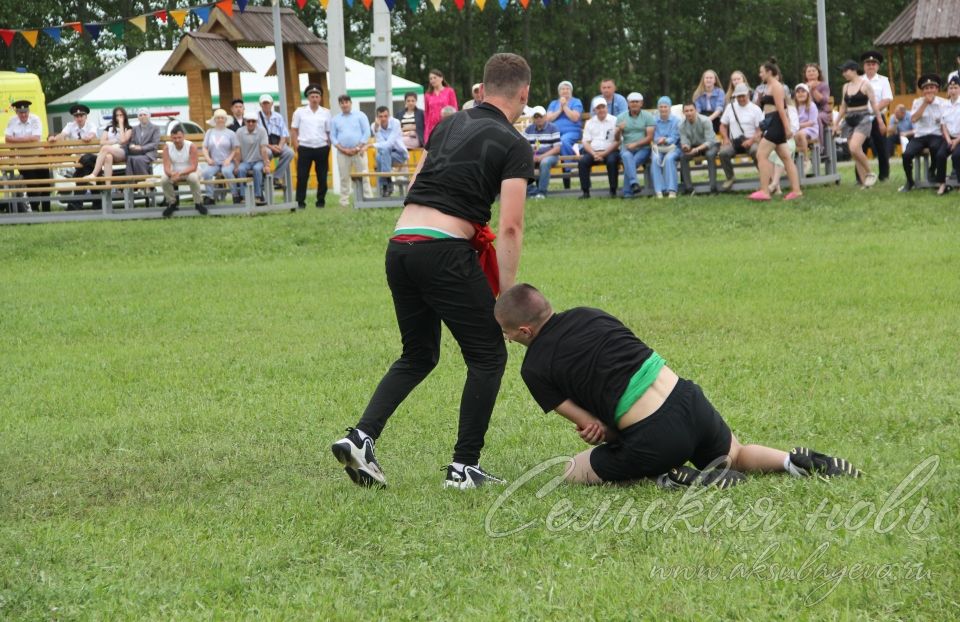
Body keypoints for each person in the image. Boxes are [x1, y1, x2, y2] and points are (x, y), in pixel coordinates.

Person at [330, 53, 534, 490]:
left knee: (419, 354)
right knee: (488, 355)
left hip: (400, 245)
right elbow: (511, 226)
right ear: (524, 94)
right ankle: (464, 467)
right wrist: (506, 299)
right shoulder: (514, 143)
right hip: (443, 251)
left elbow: (416, 183)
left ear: (482, 87)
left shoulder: (446, 124)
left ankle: (361, 438)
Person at [494, 283, 862, 486]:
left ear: (525, 331)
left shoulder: (534, 369)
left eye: (508, 334)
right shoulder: (591, 314)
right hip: (688, 399)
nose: (508, 339)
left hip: (655, 434)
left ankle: (677, 477)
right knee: (734, 454)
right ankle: (790, 462)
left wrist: (600, 434)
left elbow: (600, 430)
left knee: (572, 472)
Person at [749, 59, 802, 201]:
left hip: (776, 123)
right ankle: (796, 191)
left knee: (761, 155)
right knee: (786, 157)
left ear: (769, 72)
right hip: (771, 121)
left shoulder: (777, 87)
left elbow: (781, 109)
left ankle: (765, 191)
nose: (760, 74)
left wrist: (787, 128)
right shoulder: (768, 86)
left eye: (761, 72)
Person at [833, 60, 884, 189]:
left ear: (854, 70)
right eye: (843, 71)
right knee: (854, 152)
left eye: (846, 70)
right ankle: (864, 183)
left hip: (863, 117)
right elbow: (843, 107)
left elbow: (874, 105)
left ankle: (870, 172)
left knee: (855, 147)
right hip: (849, 119)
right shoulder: (845, 87)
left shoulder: (865, 85)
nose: (844, 73)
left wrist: (880, 121)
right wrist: (836, 123)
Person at [901, 74, 947, 194]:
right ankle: (909, 181)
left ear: (937, 89)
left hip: (936, 134)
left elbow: (946, 122)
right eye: (926, 88)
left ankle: (932, 170)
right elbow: (914, 119)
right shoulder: (917, 102)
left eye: (932, 87)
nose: (929, 90)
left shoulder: (943, 103)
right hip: (920, 136)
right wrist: (925, 103)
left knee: (935, 147)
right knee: (906, 155)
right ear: (922, 91)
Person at [49, 104, 99, 210]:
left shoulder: (91, 125)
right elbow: (63, 135)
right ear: (74, 117)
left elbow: (92, 134)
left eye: (81, 116)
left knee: (82, 168)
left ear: (86, 117)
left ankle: (76, 205)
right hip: (82, 161)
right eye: (77, 116)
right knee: (85, 170)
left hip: (92, 157)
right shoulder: (70, 125)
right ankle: (97, 204)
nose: (79, 118)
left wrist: (88, 137)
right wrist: (55, 138)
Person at [290, 83, 332, 209]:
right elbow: (294, 130)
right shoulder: (300, 112)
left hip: (321, 147)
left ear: (320, 98)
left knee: (322, 177)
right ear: (308, 98)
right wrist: (296, 145)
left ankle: (320, 201)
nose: (314, 99)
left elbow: (329, 131)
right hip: (305, 147)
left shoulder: (326, 112)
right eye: (312, 96)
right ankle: (300, 202)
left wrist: (328, 146)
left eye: (317, 96)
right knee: (302, 176)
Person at [4, 99, 49, 212]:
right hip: (23, 158)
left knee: (45, 183)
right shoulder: (12, 121)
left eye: (25, 112)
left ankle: (47, 210)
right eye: (21, 112)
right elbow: (7, 139)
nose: (24, 115)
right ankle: (35, 209)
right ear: (16, 112)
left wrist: (16, 140)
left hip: (39, 155)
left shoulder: (35, 119)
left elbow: (35, 138)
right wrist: (26, 140)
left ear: (28, 111)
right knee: (31, 183)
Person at [330, 94, 373, 207]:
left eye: (346, 102)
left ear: (350, 103)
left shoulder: (360, 115)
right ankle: (344, 202)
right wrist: (343, 149)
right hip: (342, 153)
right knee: (344, 177)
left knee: (364, 176)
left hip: (359, 151)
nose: (344, 105)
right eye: (342, 103)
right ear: (339, 105)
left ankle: (368, 199)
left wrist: (358, 147)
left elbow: (366, 132)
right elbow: (333, 137)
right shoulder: (335, 119)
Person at [718, 83, 763, 191]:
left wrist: (751, 140)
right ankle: (730, 177)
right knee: (723, 153)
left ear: (748, 94)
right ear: (735, 96)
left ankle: (764, 178)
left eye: (743, 96)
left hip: (751, 140)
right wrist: (725, 138)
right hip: (734, 141)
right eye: (739, 96)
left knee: (756, 151)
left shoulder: (755, 109)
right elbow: (723, 125)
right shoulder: (730, 107)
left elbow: (760, 129)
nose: (741, 98)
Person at [577, 98, 620, 199]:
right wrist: (594, 154)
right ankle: (585, 192)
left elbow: (618, 141)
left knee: (612, 161)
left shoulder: (615, 120)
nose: (601, 110)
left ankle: (613, 191)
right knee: (582, 162)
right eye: (598, 108)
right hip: (593, 152)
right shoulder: (589, 122)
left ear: (607, 108)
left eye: (603, 107)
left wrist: (604, 153)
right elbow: (585, 142)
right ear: (594, 110)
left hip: (610, 151)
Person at [861, 51, 893, 182]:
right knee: (861, 147)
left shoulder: (883, 80)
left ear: (878, 66)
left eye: (873, 64)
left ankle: (884, 176)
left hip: (878, 117)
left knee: (881, 147)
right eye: (868, 64)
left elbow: (887, 99)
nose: (871, 66)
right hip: (861, 118)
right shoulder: (859, 80)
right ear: (864, 66)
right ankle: (860, 176)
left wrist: (872, 110)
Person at [545, 80, 584, 188]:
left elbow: (575, 118)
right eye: (562, 89)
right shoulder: (553, 103)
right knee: (558, 141)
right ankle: (571, 166)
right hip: (555, 133)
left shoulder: (576, 102)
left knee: (562, 141)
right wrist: (560, 109)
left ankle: (569, 168)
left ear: (571, 91)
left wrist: (565, 107)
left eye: (567, 88)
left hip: (572, 132)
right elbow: (548, 119)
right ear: (559, 92)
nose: (565, 91)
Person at [160, 125, 206, 218]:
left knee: (193, 178)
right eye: (174, 138)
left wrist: (179, 174)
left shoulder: (191, 146)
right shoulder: (167, 147)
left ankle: (198, 203)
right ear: (171, 138)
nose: (177, 140)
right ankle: (172, 203)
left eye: (179, 137)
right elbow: (166, 167)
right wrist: (171, 174)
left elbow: (193, 166)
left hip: (191, 171)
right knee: (164, 179)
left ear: (183, 136)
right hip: (175, 172)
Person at [616, 92, 655, 198]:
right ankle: (634, 184)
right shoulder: (621, 117)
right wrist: (619, 129)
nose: (634, 104)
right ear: (628, 103)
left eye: (636, 102)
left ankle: (628, 193)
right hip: (626, 148)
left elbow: (649, 137)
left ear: (641, 103)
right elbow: (616, 139)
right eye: (632, 102)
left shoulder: (648, 116)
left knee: (630, 164)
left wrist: (635, 144)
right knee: (626, 156)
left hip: (643, 148)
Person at [200, 108, 239, 205]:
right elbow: (204, 148)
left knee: (226, 171)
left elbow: (235, 149)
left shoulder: (231, 133)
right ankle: (210, 196)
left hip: (227, 162)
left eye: (222, 118)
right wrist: (208, 159)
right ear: (214, 120)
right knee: (206, 173)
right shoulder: (209, 132)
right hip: (214, 162)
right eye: (218, 118)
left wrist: (229, 159)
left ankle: (235, 195)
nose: (220, 120)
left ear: (225, 120)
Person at [678, 101, 718, 194]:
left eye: (691, 110)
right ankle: (689, 189)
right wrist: (685, 147)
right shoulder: (681, 125)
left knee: (710, 155)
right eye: (686, 111)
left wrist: (696, 149)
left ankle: (713, 188)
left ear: (696, 110)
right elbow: (685, 141)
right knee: (683, 157)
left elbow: (710, 141)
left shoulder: (705, 120)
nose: (689, 113)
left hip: (710, 145)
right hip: (694, 146)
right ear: (683, 113)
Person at [257, 94, 295, 190]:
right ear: (260, 105)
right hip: (265, 145)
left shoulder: (278, 116)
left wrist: (280, 146)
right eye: (264, 103)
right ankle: (264, 176)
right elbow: (258, 138)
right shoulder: (256, 118)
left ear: (272, 104)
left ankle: (276, 177)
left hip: (278, 143)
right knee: (267, 152)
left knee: (289, 152)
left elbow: (284, 134)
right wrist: (271, 147)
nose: (266, 105)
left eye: (268, 103)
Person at [234, 110, 272, 206]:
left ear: (257, 121)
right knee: (241, 169)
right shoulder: (239, 131)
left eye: (253, 121)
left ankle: (258, 196)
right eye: (248, 121)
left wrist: (266, 164)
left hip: (259, 160)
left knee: (256, 169)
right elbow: (237, 150)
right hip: (245, 161)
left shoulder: (262, 130)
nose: (251, 123)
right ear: (245, 121)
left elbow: (264, 149)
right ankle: (243, 196)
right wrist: (236, 166)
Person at [371, 105, 409, 197]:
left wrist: (371, 145)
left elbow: (389, 143)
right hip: (385, 155)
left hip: (399, 155)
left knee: (380, 157)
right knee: (381, 156)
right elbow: (382, 144)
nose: (383, 118)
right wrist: (377, 128)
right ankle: (387, 185)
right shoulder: (374, 126)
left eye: (385, 116)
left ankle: (386, 184)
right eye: (380, 116)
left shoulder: (395, 123)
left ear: (389, 116)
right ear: (377, 117)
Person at [523, 106, 561, 199]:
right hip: (533, 156)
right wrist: (530, 156)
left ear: (545, 117)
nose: (539, 119)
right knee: (522, 163)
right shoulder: (528, 130)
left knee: (544, 163)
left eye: (540, 116)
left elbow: (557, 149)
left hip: (550, 156)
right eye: (536, 117)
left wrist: (542, 157)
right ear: (533, 118)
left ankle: (542, 192)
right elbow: (523, 147)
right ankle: (532, 191)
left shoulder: (553, 128)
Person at [86, 106, 132, 179]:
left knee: (105, 148)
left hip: (122, 152)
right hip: (111, 151)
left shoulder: (128, 128)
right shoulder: (109, 128)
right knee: (108, 157)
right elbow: (102, 142)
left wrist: (121, 125)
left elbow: (123, 141)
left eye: (121, 115)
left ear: (124, 116)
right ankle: (108, 187)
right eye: (117, 115)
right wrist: (114, 141)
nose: (119, 117)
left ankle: (94, 174)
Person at [650, 96, 681, 198]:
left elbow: (675, 136)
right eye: (661, 107)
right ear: (658, 108)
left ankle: (671, 190)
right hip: (658, 147)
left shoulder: (676, 120)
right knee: (655, 159)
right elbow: (653, 135)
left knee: (669, 159)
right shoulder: (653, 120)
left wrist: (666, 140)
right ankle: (659, 190)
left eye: (665, 107)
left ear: (670, 107)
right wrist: (658, 140)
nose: (663, 109)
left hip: (673, 147)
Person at [423, 69, 458, 143]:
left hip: (446, 125)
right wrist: (426, 129)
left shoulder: (449, 91)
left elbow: (455, 109)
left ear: (441, 78)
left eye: (435, 77)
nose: (432, 80)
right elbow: (426, 113)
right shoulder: (427, 95)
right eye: (430, 78)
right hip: (431, 128)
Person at [938, 76, 960, 190]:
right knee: (940, 155)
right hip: (948, 137)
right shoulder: (944, 105)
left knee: (957, 156)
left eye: (955, 88)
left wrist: (956, 141)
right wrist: (948, 140)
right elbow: (943, 125)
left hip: (959, 138)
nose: (953, 90)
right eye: (951, 88)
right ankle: (942, 183)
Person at [125, 108, 161, 177]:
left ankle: (145, 182)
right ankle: (131, 184)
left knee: (138, 160)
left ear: (149, 116)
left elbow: (155, 143)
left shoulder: (155, 128)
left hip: (150, 153)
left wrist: (142, 148)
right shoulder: (135, 128)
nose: (143, 116)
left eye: (145, 114)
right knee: (130, 158)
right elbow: (132, 141)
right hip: (137, 153)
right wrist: (131, 146)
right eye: (140, 115)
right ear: (138, 117)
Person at [793, 83, 819, 176]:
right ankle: (790, 163)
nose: (800, 94)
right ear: (795, 95)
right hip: (796, 130)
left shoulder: (811, 106)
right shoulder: (794, 107)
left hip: (810, 129)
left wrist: (798, 126)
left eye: (803, 92)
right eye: (798, 92)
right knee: (792, 136)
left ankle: (806, 159)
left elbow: (812, 122)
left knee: (800, 134)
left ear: (808, 94)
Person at [803, 62, 832, 136]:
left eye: (813, 71)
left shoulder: (824, 85)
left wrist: (813, 89)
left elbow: (822, 101)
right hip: (806, 112)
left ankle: (819, 145)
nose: (811, 73)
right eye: (809, 71)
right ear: (805, 74)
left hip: (822, 112)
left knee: (816, 118)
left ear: (818, 73)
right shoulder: (802, 87)